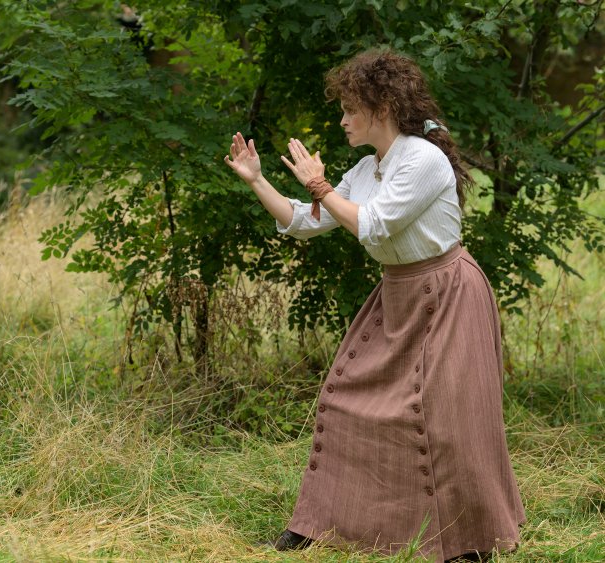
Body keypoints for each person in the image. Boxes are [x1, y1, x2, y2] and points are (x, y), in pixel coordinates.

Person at [224, 49, 525, 562]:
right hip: (398, 293)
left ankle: (467, 542)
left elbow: (374, 224)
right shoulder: (367, 167)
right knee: (343, 401)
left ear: (381, 108)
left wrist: (318, 184)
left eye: (349, 109)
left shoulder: (423, 160)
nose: (341, 119)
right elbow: (308, 221)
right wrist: (257, 180)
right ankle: (321, 523)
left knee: (449, 421)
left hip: (448, 293)